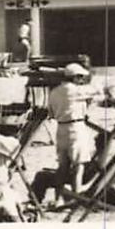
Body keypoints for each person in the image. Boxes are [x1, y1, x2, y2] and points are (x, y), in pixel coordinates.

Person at [47, 62, 97, 204]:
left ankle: (58, 198)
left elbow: (51, 113)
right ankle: (76, 197)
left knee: (62, 167)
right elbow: (97, 91)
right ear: (74, 77)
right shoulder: (76, 91)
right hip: (76, 128)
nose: (81, 80)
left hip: (61, 129)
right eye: (80, 77)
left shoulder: (54, 92)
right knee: (78, 166)